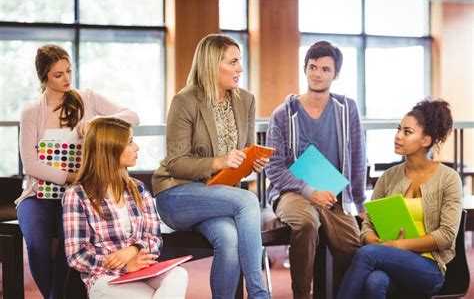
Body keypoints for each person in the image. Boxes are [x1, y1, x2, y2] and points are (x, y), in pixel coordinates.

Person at [16, 44, 140, 299]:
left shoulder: (88, 99)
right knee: (37, 245)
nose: (67, 79)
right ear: (44, 77)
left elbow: (132, 116)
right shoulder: (31, 111)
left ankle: (59, 295)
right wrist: (72, 178)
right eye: (58, 75)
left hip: (79, 196)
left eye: (69, 71)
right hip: (39, 194)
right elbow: (30, 164)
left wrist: (95, 122)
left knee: (69, 245)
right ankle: (53, 296)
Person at [152, 34, 269, 299]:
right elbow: (176, 163)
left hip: (218, 195)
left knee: (229, 239)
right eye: (233, 62)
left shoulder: (245, 100)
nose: (241, 69)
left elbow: (242, 157)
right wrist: (219, 162)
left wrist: (252, 162)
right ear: (211, 65)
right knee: (248, 200)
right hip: (177, 194)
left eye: (240, 62)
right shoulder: (185, 101)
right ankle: (260, 294)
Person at [265, 40, 366, 298]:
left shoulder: (347, 109)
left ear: (335, 74)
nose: (317, 74)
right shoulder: (283, 114)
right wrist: (310, 192)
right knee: (307, 222)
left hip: (333, 193)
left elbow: (357, 157)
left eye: (325, 69)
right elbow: (274, 169)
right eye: (312, 67)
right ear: (305, 68)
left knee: (352, 247)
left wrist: (361, 204)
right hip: (292, 192)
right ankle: (302, 294)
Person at [337, 99, 462, 299]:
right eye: (398, 129)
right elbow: (367, 226)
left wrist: (396, 246)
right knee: (374, 281)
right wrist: (377, 242)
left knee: (368, 254)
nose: (398, 136)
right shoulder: (388, 177)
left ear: (426, 140)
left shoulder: (448, 178)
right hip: (389, 259)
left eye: (407, 132)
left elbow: (446, 236)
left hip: (429, 268)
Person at [62, 117, 188, 298]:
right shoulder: (77, 195)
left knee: (178, 274)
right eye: (129, 142)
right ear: (109, 149)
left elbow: (154, 238)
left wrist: (134, 249)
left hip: (143, 269)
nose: (137, 147)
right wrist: (124, 266)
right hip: (105, 277)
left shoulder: (138, 188)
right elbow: (77, 255)